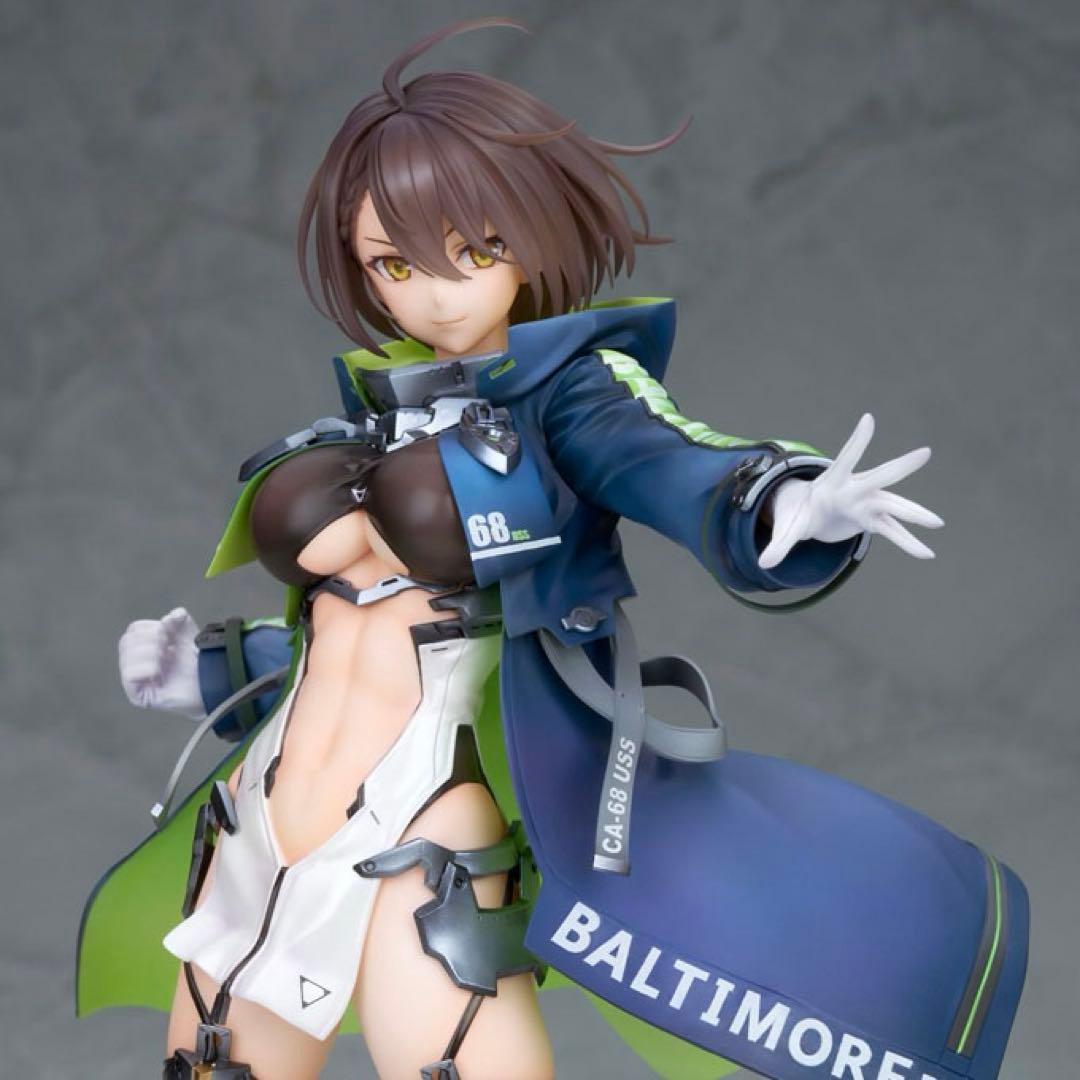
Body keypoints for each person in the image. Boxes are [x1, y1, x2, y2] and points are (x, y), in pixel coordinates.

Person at [79, 18, 1028, 1080]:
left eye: (473, 251)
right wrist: (208, 673)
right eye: (392, 262)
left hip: (425, 826)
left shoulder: (570, 394)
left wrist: (780, 501)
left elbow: (672, 459)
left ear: (530, 235)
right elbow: (354, 638)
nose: (431, 292)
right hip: (269, 814)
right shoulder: (375, 414)